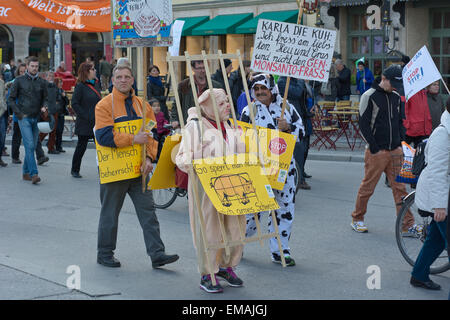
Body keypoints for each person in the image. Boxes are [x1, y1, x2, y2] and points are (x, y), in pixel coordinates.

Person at [94, 64, 179, 269]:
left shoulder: (143, 105)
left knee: (148, 213)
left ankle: (157, 254)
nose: (123, 80)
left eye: (127, 76)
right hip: (115, 171)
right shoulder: (104, 105)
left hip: (139, 169)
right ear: (113, 80)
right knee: (110, 214)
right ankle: (104, 254)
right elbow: (104, 137)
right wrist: (134, 139)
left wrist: (150, 158)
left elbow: (151, 135)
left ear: (133, 80)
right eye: (119, 77)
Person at [175, 88, 246, 293]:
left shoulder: (231, 125)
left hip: (233, 186)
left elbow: (241, 151)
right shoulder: (195, 127)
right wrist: (199, 158)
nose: (228, 106)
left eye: (227, 101)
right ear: (209, 106)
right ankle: (208, 273)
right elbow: (181, 158)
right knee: (209, 230)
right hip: (206, 190)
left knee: (235, 228)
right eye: (222, 102)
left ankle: (226, 266)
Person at [240, 74, 304, 266]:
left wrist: (288, 126)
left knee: (285, 209)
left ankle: (280, 250)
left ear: (271, 89)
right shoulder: (248, 110)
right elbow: (241, 138)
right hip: (258, 170)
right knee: (254, 212)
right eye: (256, 89)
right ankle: (239, 242)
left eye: (263, 88)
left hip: (285, 169)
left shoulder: (287, 108)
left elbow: (301, 133)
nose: (260, 92)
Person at [350, 65, 416, 233]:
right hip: (377, 151)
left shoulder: (395, 96)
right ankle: (357, 218)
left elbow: (400, 121)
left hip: (395, 149)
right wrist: (374, 148)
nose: (395, 87)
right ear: (384, 79)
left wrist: (401, 142)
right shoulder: (369, 96)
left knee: (400, 188)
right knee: (368, 187)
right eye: (392, 83)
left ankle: (407, 225)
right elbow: (363, 125)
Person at [410, 97, 450, 291]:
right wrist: (439, 206)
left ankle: (419, 274)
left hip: (444, 195)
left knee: (436, 239)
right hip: (442, 198)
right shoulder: (442, 134)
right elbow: (437, 172)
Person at [8, 56, 48, 184]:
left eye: (36, 66)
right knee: (30, 145)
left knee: (31, 146)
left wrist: (44, 106)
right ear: (27, 66)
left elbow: (46, 98)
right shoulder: (19, 80)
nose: (35, 68)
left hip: (36, 118)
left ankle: (25, 172)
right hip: (23, 118)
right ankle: (34, 173)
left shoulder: (41, 82)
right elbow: (10, 99)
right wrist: (18, 113)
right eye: (32, 66)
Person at [277, 76, 311, 190]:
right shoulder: (283, 81)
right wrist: (302, 81)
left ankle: (302, 172)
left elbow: (307, 95)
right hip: (292, 122)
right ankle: (299, 179)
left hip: (303, 118)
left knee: (305, 148)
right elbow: (297, 93)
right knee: (298, 151)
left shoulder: (297, 81)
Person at [70, 62, 101, 178]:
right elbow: (74, 103)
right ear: (87, 72)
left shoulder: (96, 84)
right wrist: (85, 115)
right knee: (81, 147)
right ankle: (75, 169)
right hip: (84, 122)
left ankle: (103, 170)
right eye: (93, 69)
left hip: (96, 122)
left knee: (100, 147)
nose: (95, 71)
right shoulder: (80, 86)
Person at [170, 60, 224, 128]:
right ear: (193, 69)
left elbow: (222, 104)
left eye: (204, 68)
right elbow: (176, 104)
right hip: (190, 122)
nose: (202, 70)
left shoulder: (215, 85)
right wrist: (174, 120)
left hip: (211, 123)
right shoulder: (184, 85)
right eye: (199, 68)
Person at [7, 63, 26, 164]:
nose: (22, 74)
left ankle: (38, 155)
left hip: (28, 113)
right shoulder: (15, 83)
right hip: (18, 114)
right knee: (17, 137)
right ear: (17, 72)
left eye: (24, 72)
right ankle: (15, 156)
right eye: (21, 72)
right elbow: (11, 99)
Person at [54, 77, 69, 153]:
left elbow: (67, 102)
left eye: (61, 82)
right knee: (57, 130)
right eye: (59, 82)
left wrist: (64, 96)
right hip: (56, 113)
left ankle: (59, 146)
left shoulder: (62, 91)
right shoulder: (54, 91)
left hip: (62, 113)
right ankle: (54, 146)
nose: (61, 84)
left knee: (60, 131)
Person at [0, 73, 7, 167]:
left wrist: (4, 106)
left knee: (2, 137)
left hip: (1, 113)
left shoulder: (1, 83)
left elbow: (4, 97)